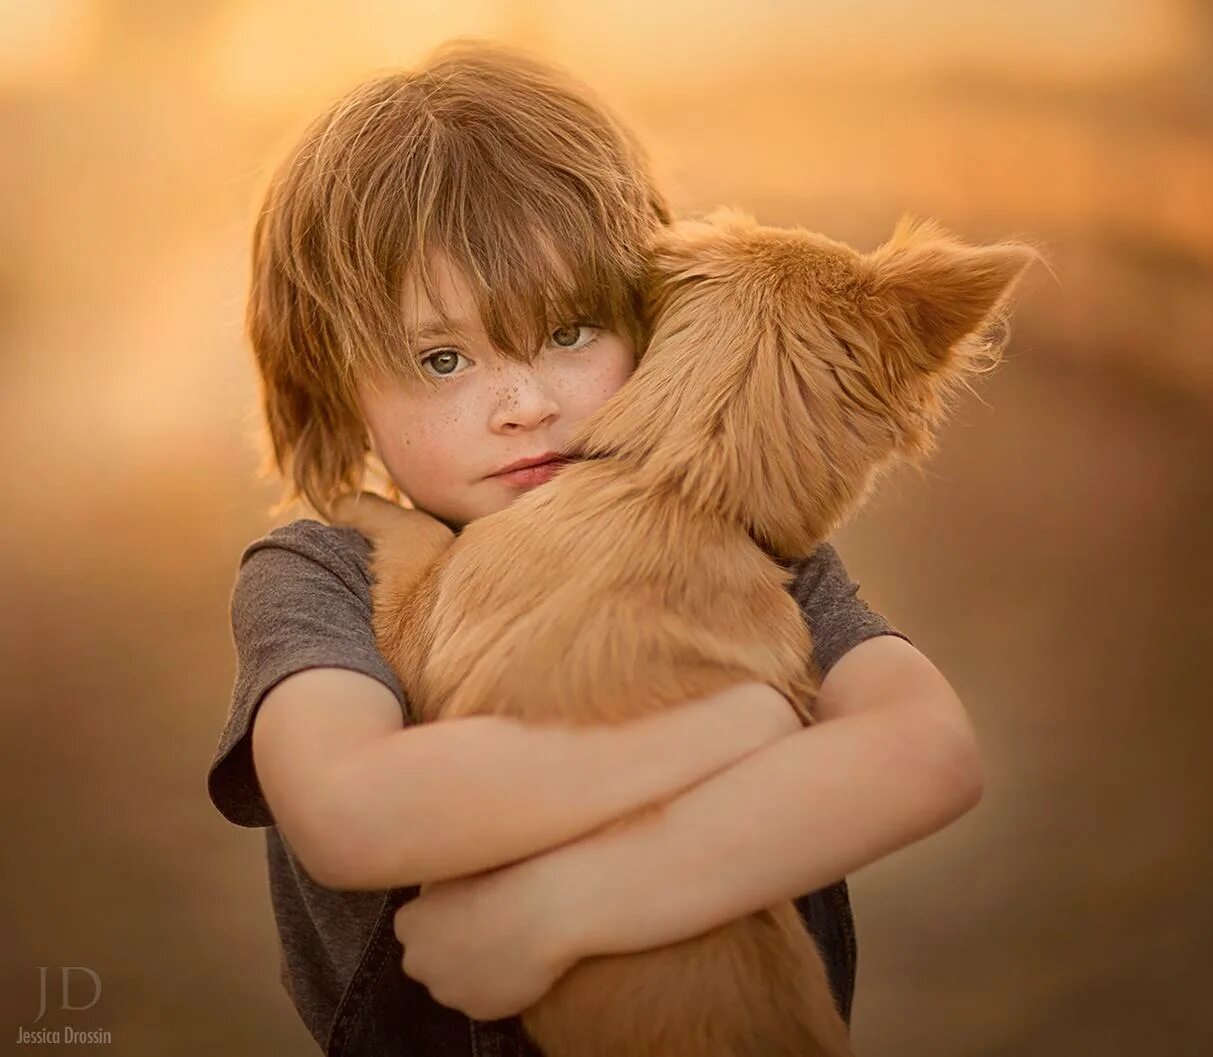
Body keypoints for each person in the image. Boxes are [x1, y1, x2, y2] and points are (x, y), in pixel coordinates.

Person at [206, 39, 984, 1057]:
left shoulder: (736, 542)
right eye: (441, 359)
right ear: (332, 386)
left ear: (659, 312)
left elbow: (929, 751)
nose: (524, 404)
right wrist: (734, 722)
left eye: (569, 333)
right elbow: (352, 812)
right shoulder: (322, 579)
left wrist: (560, 912)